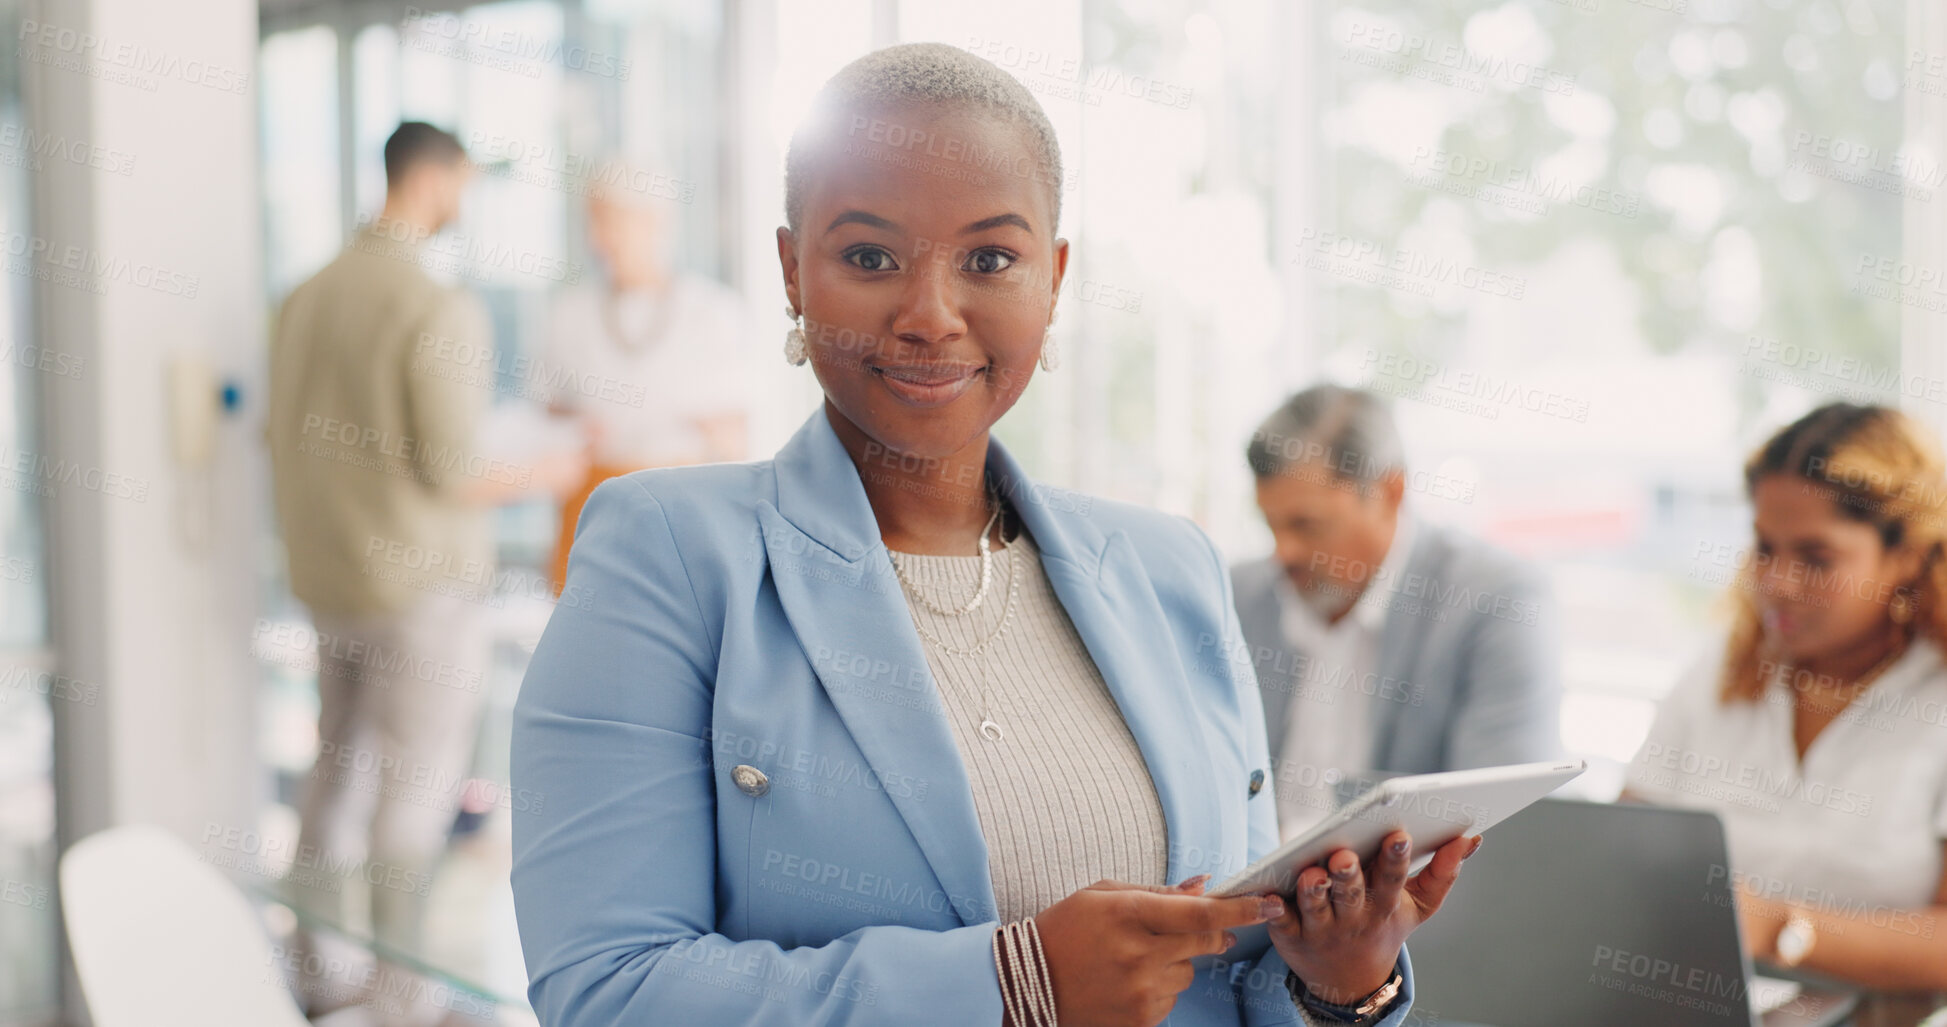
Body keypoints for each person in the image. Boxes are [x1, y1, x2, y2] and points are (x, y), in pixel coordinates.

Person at [510, 44, 1485, 1027]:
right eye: (869, 257)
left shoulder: (1167, 569)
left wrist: (1340, 979)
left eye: (990, 259)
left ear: (1053, 279)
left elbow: (1229, 980)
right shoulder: (670, 553)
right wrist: (1014, 984)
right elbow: (608, 989)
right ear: (791, 271)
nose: (931, 314)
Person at [266, 121, 586, 1023]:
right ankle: (401, 999)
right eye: (464, 184)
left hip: (330, 582)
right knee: (411, 797)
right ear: (438, 180)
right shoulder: (433, 305)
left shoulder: (303, 296)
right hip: (420, 593)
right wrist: (549, 468)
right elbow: (453, 469)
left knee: (332, 780)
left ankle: (315, 977)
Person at [1625, 402, 1947, 992]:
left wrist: (1774, 928)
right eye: (1766, 548)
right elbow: (1622, 845)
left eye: (1816, 558)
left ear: (1907, 553)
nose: (1775, 582)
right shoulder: (1723, 668)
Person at [1230, 386, 1561, 836]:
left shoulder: (1495, 602)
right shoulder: (1239, 596)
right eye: (1270, 525)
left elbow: (1504, 827)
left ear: (1390, 491)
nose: (1283, 552)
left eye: (1307, 524)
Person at [540, 159, 752, 589]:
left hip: (683, 513)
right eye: (592, 222)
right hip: (592, 510)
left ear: (653, 222)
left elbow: (737, 438)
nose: (598, 239)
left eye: (610, 221)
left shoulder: (711, 313)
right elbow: (548, 416)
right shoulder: (568, 313)